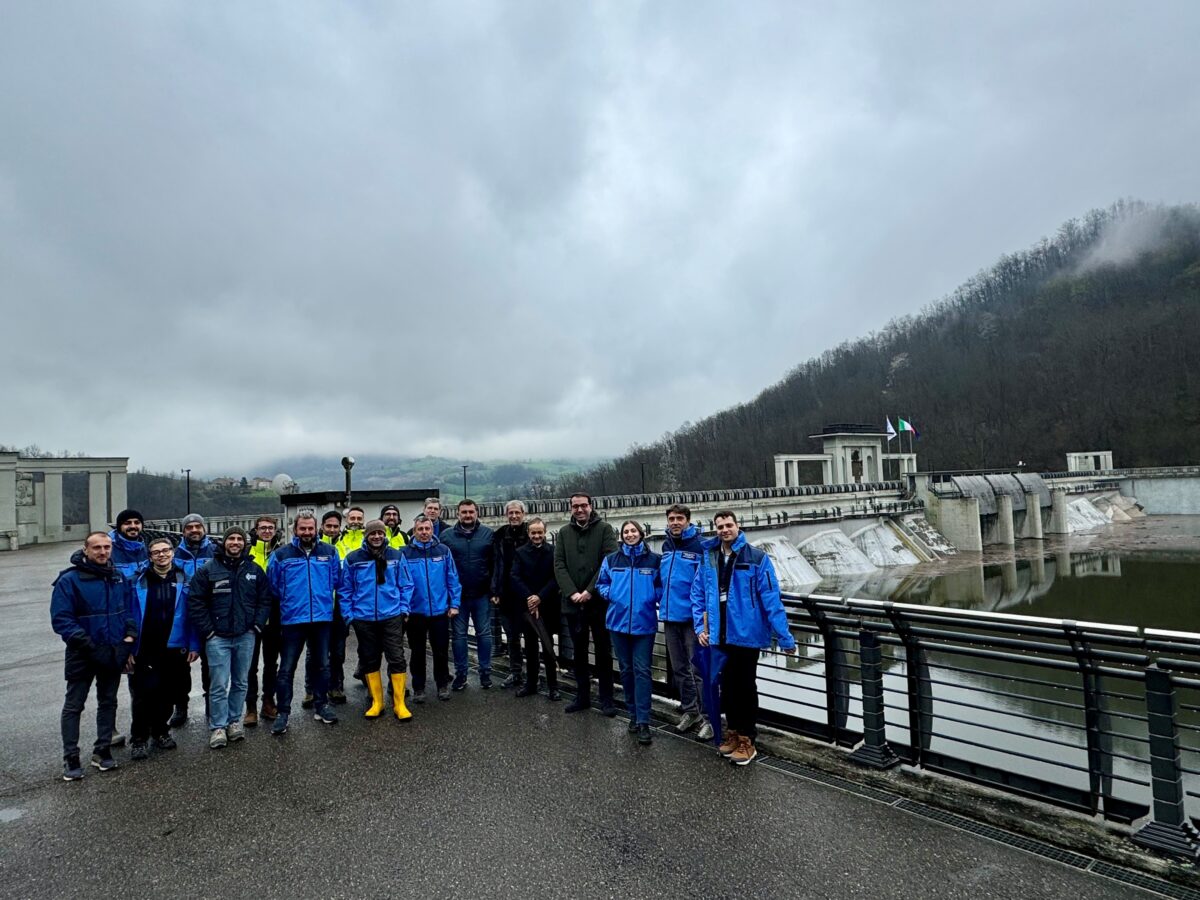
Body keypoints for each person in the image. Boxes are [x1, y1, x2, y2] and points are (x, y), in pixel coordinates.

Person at [691, 510, 797, 766]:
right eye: (719, 526)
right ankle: (734, 733)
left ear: (738, 527)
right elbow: (698, 594)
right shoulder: (709, 557)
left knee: (745, 688)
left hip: (746, 636)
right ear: (715, 529)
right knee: (727, 687)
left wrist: (785, 638)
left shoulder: (757, 558)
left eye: (728, 525)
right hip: (719, 635)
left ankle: (748, 740)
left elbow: (772, 600)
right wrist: (700, 628)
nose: (724, 530)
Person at [51, 532, 138, 780]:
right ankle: (71, 757)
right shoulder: (69, 580)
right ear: (86, 550)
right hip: (83, 652)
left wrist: (129, 638)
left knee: (108, 701)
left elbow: (128, 610)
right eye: (97, 548)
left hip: (113, 650)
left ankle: (102, 750)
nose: (103, 552)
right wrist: (88, 644)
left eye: (107, 547)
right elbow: (62, 620)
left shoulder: (117, 576)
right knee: (74, 705)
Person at [188, 526, 271, 749]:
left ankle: (234, 722)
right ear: (224, 542)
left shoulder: (254, 570)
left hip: (246, 635)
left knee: (241, 682)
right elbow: (196, 601)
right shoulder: (208, 570)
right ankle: (218, 726)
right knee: (218, 684)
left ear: (245, 543)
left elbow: (265, 600)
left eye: (239, 539)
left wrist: (256, 626)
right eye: (231, 538)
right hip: (218, 638)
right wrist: (209, 631)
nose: (235, 542)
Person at [267, 513, 341, 735]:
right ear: (295, 530)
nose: (307, 532)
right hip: (293, 619)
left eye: (310, 528)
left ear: (316, 529)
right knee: (287, 668)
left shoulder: (330, 552)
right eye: (303, 529)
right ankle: (283, 713)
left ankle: (322, 705)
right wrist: (292, 601)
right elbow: (274, 585)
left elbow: (336, 580)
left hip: (321, 618)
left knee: (323, 665)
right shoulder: (281, 555)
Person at [340, 520, 414, 720]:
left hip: (391, 615)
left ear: (384, 534)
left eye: (380, 533)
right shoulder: (353, 559)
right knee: (370, 659)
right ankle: (377, 702)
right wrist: (349, 615)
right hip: (364, 618)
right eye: (372, 534)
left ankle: (399, 703)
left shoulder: (397, 556)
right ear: (366, 535)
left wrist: (403, 609)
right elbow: (345, 589)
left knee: (396, 658)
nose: (377, 537)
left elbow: (406, 585)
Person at [597, 521, 662, 745]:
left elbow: (661, 586)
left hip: (644, 624)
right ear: (621, 536)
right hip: (618, 623)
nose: (630, 534)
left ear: (641, 534)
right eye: (626, 532)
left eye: (633, 531)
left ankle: (644, 721)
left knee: (642, 671)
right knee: (626, 670)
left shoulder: (653, 560)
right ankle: (633, 715)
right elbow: (602, 583)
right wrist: (612, 594)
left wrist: (651, 597)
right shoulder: (612, 560)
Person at [553, 492, 618, 716]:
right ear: (570, 508)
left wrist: (589, 591)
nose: (579, 510)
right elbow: (559, 564)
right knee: (578, 652)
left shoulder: (605, 530)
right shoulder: (563, 533)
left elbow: (608, 562)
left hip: (598, 602)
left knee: (603, 652)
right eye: (575, 506)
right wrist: (572, 593)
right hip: (572, 604)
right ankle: (582, 697)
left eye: (583, 506)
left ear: (591, 506)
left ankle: (607, 699)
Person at [128, 538, 191, 760]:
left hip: (174, 645)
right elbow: (129, 614)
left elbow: (192, 614)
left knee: (167, 693)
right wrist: (128, 648)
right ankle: (139, 738)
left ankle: (161, 731)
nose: (162, 555)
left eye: (165, 551)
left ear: (173, 553)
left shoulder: (184, 578)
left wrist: (193, 643)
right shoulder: (139, 580)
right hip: (146, 645)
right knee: (143, 694)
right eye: (156, 552)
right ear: (150, 556)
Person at [660, 503, 711, 739]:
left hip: (692, 619)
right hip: (670, 617)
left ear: (688, 521)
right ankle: (691, 711)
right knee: (679, 669)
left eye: (680, 518)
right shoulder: (666, 544)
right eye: (672, 519)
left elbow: (706, 584)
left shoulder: (700, 546)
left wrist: (705, 618)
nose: (675, 523)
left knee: (697, 670)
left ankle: (708, 718)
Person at [400, 514, 461, 702]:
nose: (424, 532)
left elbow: (452, 578)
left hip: (439, 611)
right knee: (417, 652)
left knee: (441, 651)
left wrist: (455, 604)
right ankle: (418, 687)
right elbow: (400, 583)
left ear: (432, 529)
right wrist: (404, 609)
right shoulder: (404, 553)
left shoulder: (443, 550)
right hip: (415, 612)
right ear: (415, 530)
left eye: (427, 529)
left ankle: (442, 685)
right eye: (420, 529)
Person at [441, 499, 495, 691]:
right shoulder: (446, 536)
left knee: (484, 634)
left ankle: (486, 673)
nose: (468, 515)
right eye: (464, 512)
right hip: (458, 597)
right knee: (458, 636)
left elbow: (495, 563)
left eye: (471, 512)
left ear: (477, 513)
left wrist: (493, 590)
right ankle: (461, 674)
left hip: (481, 594)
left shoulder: (488, 534)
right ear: (458, 514)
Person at [170, 513, 216, 728]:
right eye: (190, 527)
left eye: (198, 526)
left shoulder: (215, 550)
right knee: (180, 666)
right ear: (183, 531)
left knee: (210, 663)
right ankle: (181, 705)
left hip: (209, 613)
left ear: (204, 529)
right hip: (183, 614)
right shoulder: (174, 554)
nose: (195, 530)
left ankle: (210, 703)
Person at [510, 517, 560, 700]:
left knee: (548, 646)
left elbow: (556, 578)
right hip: (527, 606)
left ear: (545, 532)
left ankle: (553, 687)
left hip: (547, 605)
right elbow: (514, 577)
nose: (537, 536)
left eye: (540, 532)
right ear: (529, 533)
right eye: (533, 533)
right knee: (530, 647)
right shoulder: (520, 552)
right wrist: (530, 598)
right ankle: (531, 684)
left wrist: (540, 597)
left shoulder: (554, 552)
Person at [246, 515, 285, 724]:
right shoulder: (247, 552)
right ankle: (250, 706)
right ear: (256, 530)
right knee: (250, 666)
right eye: (263, 528)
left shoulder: (281, 553)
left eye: (270, 528)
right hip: (250, 619)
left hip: (275, 616)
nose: (267, 531)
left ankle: (268, 702)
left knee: (272, 663)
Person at [490, 500, 529, 688]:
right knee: (512, 636)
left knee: (530, 636)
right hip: (506, 593)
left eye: (517, 513)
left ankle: (532, 674)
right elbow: (495, 564)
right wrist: (495, 590)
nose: (514, 516)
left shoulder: (531, 533)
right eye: (511, 513)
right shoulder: (499, 535)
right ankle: (515, 672)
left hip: (527, 594)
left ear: (523, 514)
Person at [109, 508, 148, 579]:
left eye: (137, 522)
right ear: (119, 527)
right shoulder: (107, 549)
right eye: (127, 523)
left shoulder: (148, 548)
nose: (133, 526)